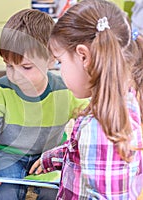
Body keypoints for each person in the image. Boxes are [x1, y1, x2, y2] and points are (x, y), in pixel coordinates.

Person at [0, 9, 88, 200]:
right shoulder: (0, 92)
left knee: (54, 192)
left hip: (49, 158)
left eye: (26, 67)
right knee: (4, 192)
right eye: (9, 65)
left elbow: (92, 113)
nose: (15, 75)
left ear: (52, 59)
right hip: (9, 156)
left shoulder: (66, 90)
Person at [29, 0, 143, 199]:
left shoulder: (98, 128)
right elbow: (85, 152)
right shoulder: (122, 101)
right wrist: (53, 158)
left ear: (84, 56)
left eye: (60, 61)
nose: (60, 70)